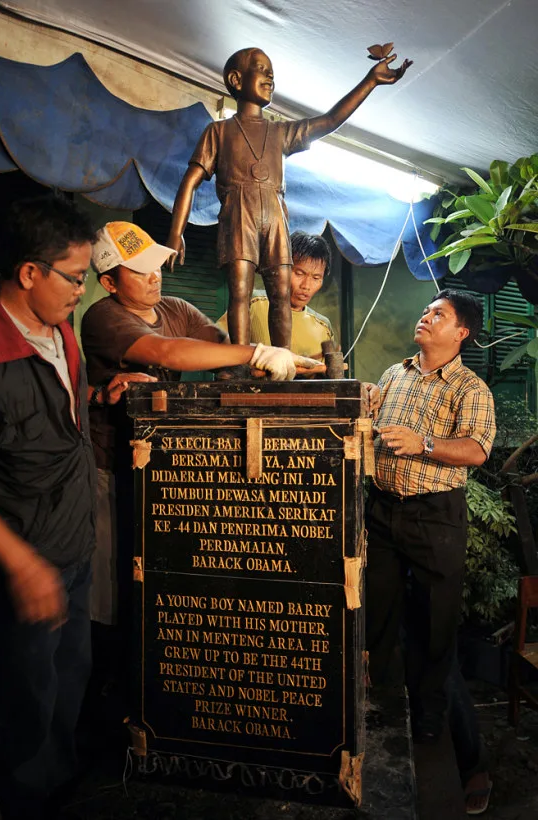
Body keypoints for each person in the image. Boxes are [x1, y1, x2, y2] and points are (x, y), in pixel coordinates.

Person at [81, 220, 320, 627]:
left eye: (155, 265)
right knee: (111, 582)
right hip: (109, 464)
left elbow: (221, 349)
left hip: (158, 465)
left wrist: (273, 365)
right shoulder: (103, 318)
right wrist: (255, 353)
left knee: (157, 574)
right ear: (109, 282)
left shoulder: (175, 309)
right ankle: (107, 676)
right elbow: (169, 353)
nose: (154, 276)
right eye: (139, 270)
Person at [0, 194, 103, 820]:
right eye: (75, 278)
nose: (82, 291)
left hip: (72, 547)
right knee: (21, 703)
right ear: (30, 272)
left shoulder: (58, 329)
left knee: (67, 684)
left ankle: (59, 793)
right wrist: (22, 565)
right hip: (21, 566)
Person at [166, 45, 412, 349]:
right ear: (236, 79)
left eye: (272, 71)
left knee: (280, 293)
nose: (270, 75)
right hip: (238, 213)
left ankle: (283, 360)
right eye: (261, 68)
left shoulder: (280, 132)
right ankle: (242, 360)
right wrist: (176, 233)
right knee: (240, 292)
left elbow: (330, 120)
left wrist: (370, 81)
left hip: (275, 215)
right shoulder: (218, 132)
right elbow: (189, 181)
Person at [365, 289, 496, 750]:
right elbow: (375, 430)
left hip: (435, 516)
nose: (425, 317)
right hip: (381, 510)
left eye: (437, 314)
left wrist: (423, 443)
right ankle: (379, 703)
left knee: (434, 622)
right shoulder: (393, 374)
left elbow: (477, 450)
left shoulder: (469, 388)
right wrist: (366, 409)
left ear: (461, 332)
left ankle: (428, 717)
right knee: (377, 614)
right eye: (425, 310)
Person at [217, 230, 334, 358]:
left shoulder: (323, 327)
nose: (306, 286)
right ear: (283, 269)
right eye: (299, 274)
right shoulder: (253, 303)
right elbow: (217, 347)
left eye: (316, 278)